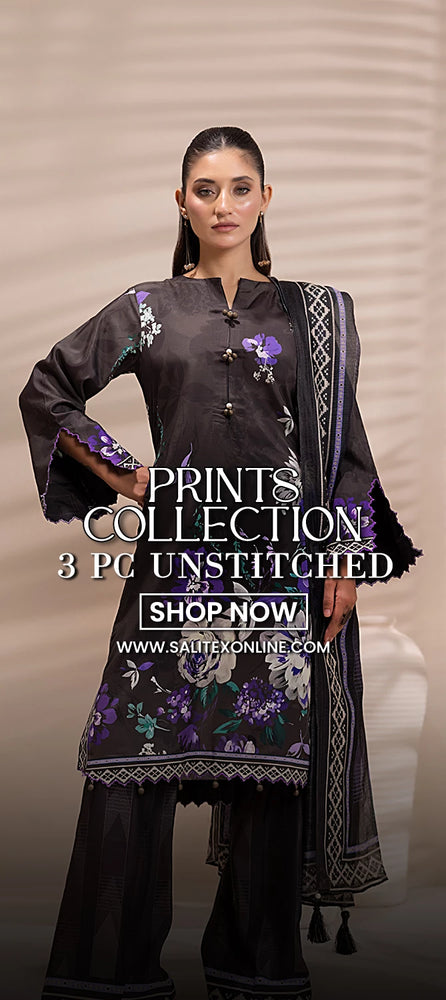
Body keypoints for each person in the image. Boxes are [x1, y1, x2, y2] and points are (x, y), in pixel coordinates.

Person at [19, 126, 421, 1000]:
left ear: (266, 198)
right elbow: (48, 388)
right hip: (174, 565)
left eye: (241, 188)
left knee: (269, 773)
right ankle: (107, 974)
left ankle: (255, 971)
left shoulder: (316, 316)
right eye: (206, 190)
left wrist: (344, 559)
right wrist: (125, 474)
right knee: (129, 760)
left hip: (281, 563)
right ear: (182, 202)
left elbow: (347, 453)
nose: (224, 205)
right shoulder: (148, 307)